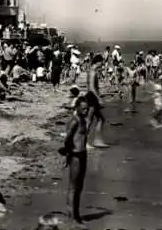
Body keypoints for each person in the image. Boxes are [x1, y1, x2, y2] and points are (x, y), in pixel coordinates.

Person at [62, 96, 89, 225]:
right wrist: (68, 154)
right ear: (77, 107)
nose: (85, 111)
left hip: (83, 154)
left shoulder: (83, 119)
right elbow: (67, 139)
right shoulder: (74, 121)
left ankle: (76, 215)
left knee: (80, 187)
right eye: (83, 108)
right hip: (76, 156)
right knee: (73, 187)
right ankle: (72, 216)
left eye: (86, 109)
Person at [85, 54, 109, 148]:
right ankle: (86, 142)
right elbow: (91, 87)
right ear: (98, 62)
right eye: (102, 62)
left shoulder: (92, 71)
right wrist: (99, 98)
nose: (102, 64)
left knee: (100, 119)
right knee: (89, 120)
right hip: (91, 97)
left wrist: (100, 95)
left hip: (92, 96)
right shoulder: (92, 72)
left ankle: (97, 140)